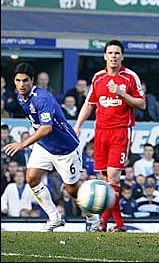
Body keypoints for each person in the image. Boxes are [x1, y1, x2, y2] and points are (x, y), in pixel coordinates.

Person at [3, 62, 100, 231]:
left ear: (32, 81)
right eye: (18, 80)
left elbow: (47, 128)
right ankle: (54, 217)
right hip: (44, 145)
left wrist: (22, 144)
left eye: (25, 81)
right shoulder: (20, 97)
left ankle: (93, 217)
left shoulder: (42, 98)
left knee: (71, 189)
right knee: (31, 178)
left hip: (66, 148)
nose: (21, 84)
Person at [74, 39, 146, 232]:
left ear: (122, 56)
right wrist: (78, 125)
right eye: (110, 53)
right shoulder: (98, 78)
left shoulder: (130, 78)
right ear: (105, 56)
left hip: (121, 130)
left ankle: (103, 224)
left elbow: (141, 104)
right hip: (101, 132)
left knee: (113, 178)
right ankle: (120, 224)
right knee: (107, 180)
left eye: (117, 53)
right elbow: (89, 104)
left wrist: (122, 94)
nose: (113, 56)